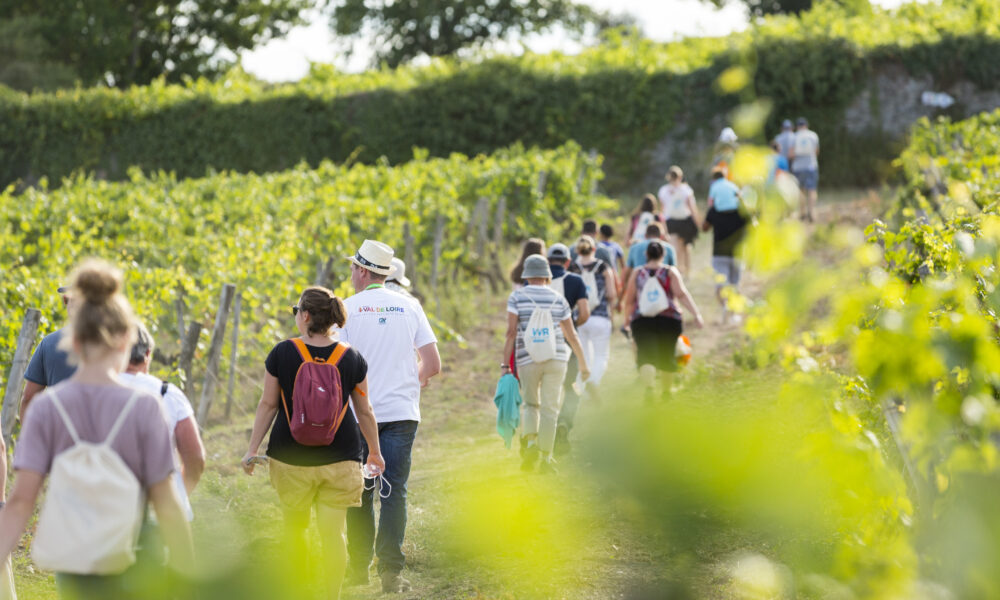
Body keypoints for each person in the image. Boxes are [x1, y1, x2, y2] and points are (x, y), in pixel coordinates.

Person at [0, 259, 194, 598]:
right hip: (138, 556)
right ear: (125, 342)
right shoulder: (145, 408)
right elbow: (167, 503)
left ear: (72, 341)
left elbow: (19, 504)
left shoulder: (47, 409)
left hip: (78, 559)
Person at [243, 285, 384, 600]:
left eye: (297, 311)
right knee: (334, 535)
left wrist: (252, 449)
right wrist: (374, 451)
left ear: (305, 315)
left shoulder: (282, 352)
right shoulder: (352, 357)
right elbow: (365, 410)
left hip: (291, 459)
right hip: (342, 457)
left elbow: (268, 404)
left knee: (295, 532)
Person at [339, 240, 441, 594]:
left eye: (353, 267)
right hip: (401, 413)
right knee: (394, 491)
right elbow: (433, 364)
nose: (351, 273)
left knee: (360, 493)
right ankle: (391, 574)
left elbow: (337, 368)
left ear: (363, 271)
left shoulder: (347, 310)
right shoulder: (410, 306)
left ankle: (357, 569)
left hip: (356, 416)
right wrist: (413, 380)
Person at [503, 255, 589, 473]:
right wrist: (582, 363)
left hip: (527, 358)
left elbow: (511, 333)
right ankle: (546, 459)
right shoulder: (558, 298)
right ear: (547, 275)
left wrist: (506, 365)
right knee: (551, 408)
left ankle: (530, 444)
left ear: (526, 276)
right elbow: (571, 335)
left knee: (531, 404)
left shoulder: (516, 297)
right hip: (557, 358)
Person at [120, 321, 205, 521]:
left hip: (109, 518)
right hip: (163, 516)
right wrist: (179, 492)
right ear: (148, 354)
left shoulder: (96, 392)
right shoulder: (167, 394)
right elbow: (196, 459)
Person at [622, 241, 704, 403]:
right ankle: (666, 393)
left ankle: (650, 389)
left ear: (646, 255)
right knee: (667, 355)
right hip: (669, 319)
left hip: (642, 320)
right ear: (663, 255)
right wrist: (696, 314)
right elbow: (681, 294)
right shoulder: (670, 272)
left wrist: (627, 320)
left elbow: (629, 300)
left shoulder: (638, 273)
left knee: (645, 355)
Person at [556, 235, 616, 454]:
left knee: (584, 355)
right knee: (601, 356)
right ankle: (593, 381)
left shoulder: (573, 272)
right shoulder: (603, 267)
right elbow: (611, 293)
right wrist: (614, 308)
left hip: (579, 322)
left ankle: (583, 382)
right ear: (593, 248)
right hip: (600, 317)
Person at [20, 285, 77, 421]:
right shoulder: (118, 343)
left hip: (58, 436)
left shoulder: (49, 343)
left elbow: (29, 398)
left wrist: (31, 439)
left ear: (65, 300)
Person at [703, 168, 750, 325]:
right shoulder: (740, 212)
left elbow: (704, 228)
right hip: (737, 252)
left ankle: (725, 307)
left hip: (719, 253)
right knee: (735, 284)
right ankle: (734, 313)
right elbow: (752, 224)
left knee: (721, 285)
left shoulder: (714, 211)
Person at [658, 166, 701, 278]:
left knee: (675, 247)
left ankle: (679, 271)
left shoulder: (664, 190)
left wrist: (661, 223)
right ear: (680, 177)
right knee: (685, 248)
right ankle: (685, 271)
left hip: (672, 221)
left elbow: (662, 209)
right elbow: (692, 208)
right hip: (684, 221)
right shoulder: (686, 190)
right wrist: (698, 222)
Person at [622, 223, 676, 303]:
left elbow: (626, 274)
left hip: (640, 293)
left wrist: (621, 297)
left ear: (645, 235)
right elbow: (674, 274)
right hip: (663, 294)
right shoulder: (669, 248)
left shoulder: (634, 248)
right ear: (661, 236)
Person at [789, 117, 820, 222]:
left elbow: (791, 153)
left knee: (800, 191)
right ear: (806, 125)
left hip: (798, 167)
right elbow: (816, 151)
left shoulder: (794, 137)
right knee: (811, 190)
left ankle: (802, 213)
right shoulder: (813, 135)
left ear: (797, 127)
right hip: (811, 165)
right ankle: (811, 212)